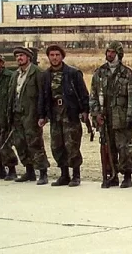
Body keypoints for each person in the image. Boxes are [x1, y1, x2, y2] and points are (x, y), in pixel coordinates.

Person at [38, 45, 90, 187]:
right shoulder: (45, 75)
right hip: (55, 114)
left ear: (62, 56)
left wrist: (85, 111)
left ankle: (76, 175)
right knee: (57, 146)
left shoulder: (73, 73)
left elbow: (84, 94)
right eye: (52, 55)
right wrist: (42, 115)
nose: (54, 58)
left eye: (57, 55)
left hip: (70, 114)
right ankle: (64, 175)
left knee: (72, 144)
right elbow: (42, 97)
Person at [90, 41, 132, 188]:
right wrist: (96, 114)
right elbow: (93, 96)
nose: (109, 55)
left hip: (121, 116)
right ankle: (111, 174)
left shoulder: (127, 73)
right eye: (108, 52)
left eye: (112, 52)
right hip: (105, 116)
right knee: (107, 147)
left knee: (123, 147)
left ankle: (127, 175)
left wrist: (130, 116)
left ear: (119, 54)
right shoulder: (99, 73)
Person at [8, 47, 50, 184]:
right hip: (17, 114)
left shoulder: (37, 73)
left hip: (31, 114)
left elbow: (43, 95)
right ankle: (29, 171)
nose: (19, 58)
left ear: (28, 57)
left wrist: (42, 115)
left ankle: (43, 172)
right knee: (20, 143)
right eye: (17, 56)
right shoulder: (15, 75)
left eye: (22, 55)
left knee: (35, 143)